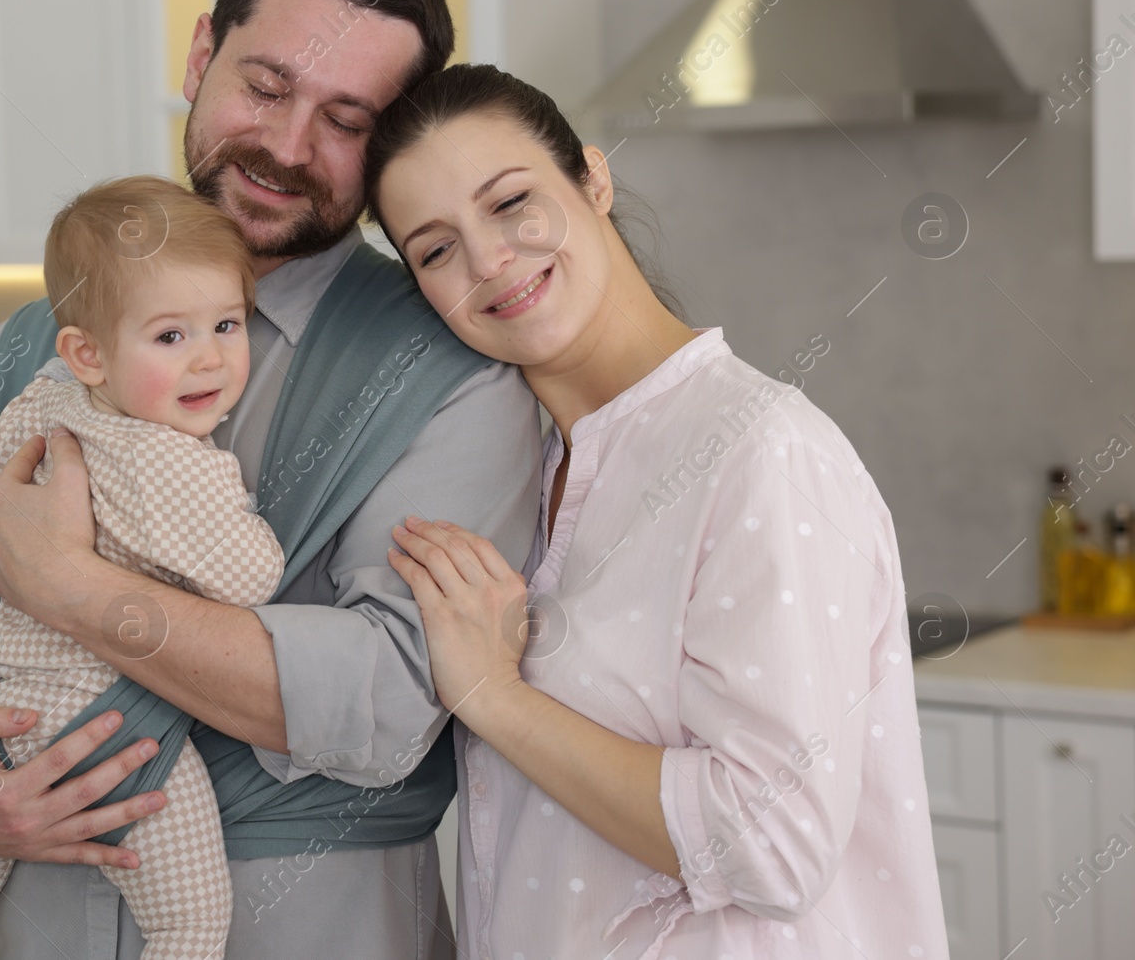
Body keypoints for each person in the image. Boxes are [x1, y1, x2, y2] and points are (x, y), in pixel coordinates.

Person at [0, 0, 545, 960]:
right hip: (20, 925)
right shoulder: (34, 345)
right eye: (265, 86)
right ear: (201, 54)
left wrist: (73, 589)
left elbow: (392, 690)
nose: (288, 147)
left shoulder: (453, 378)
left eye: (346, 119)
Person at [370, 64, 948, 959]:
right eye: (435, 248)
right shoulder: (524, 476)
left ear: (592, 179)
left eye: (511, 202)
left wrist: (496, 699)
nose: (488, 260)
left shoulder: (760, 451)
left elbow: (774, 844)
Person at [0, 176, 284, 960]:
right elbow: (251, 578)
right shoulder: (173, 462)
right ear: (88, 352)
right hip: (106, 734)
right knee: (190, 921)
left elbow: (0, 456)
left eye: (228, 324)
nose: (210, 359)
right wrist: (236, 500)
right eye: (170, 336)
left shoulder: (46, 406)